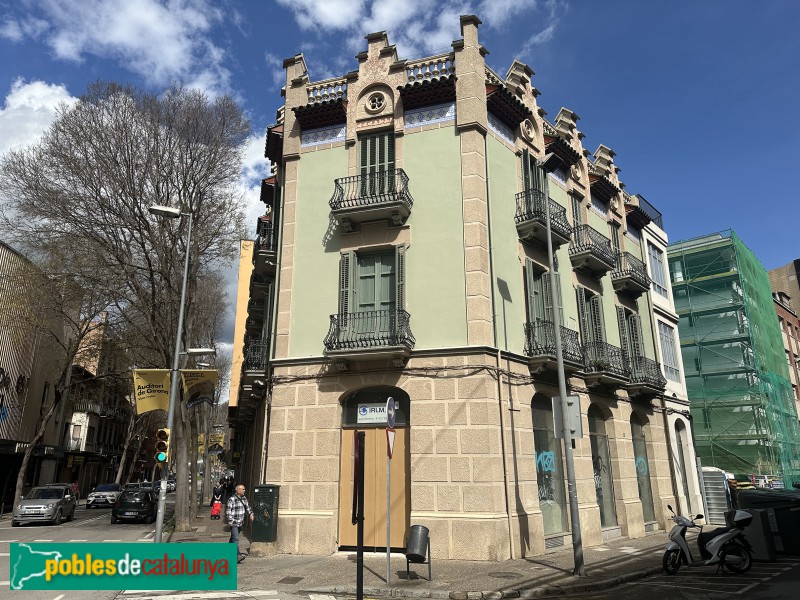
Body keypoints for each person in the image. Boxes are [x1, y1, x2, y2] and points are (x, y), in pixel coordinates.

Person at [226, 484, 254, 563]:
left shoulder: (244, 498)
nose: (244, 490)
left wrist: (251, 513)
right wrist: (230, 521)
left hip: (240, 522)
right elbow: (228, 511)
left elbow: (247, 507)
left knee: (233, 538)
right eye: (243, 489)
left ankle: (228, 552)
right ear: (238, 490)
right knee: (236, 538)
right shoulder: (232, 499)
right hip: (234, 522)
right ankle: (237, 556)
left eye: (244, 489)